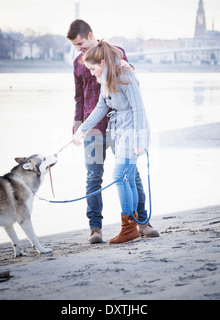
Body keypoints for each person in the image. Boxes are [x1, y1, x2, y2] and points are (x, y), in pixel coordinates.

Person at [66, 19, 159, 244]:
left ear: (90, 35)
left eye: (80, 43)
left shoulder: (117, 57)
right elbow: (82, 98)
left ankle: (142, 223)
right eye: (74, 46)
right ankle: (95, 228)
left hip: (121, 128)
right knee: (94, 177)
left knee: (129, 175)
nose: (78, 49)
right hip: (94, 130)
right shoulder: (80, 64)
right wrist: (79, 126)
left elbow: (133, 100)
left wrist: (140, 138)